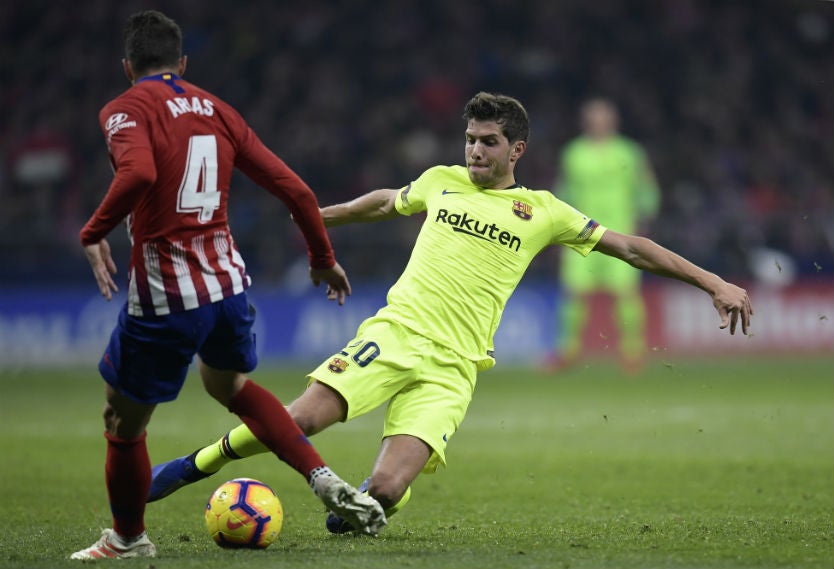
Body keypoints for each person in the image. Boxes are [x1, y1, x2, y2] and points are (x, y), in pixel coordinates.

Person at [148, 92, 753, 533]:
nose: (475, 151)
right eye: (470, 139)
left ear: (516, 149)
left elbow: (631, 247)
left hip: (454, 368)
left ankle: (376, 496)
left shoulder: (544, 211)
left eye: (488, 142)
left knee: (387, 489)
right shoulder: (441, 180)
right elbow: (386, 202)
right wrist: (316, 216)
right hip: (397, 334)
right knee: (304, 418)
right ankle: (194, 465)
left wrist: (712, 282)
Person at [70, 10, 385, 561]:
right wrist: (322, 258)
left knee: (122, 422)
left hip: (167, 295)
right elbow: (297, 191)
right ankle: (319, 475)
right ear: (182, 63)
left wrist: (92, 231)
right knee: (231, 387)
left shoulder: (125, 108)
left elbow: (139, 173)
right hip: (227, 286)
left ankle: (128, 538)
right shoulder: (217, 109)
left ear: (127, 67)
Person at [547, 97, 661, 373]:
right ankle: (568, 351)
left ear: (612, 122)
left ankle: (632, 351)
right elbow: (564, 191)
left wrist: (645, 217)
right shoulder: (573, 153)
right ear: (585, 122)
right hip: (581, 231)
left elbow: (646, 188)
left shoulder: (629, 153)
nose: (598, 123)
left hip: (620, 232)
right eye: (593, 118)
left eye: (603, 118)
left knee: (625, 292)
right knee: (574, 292)